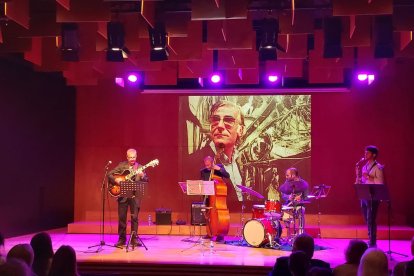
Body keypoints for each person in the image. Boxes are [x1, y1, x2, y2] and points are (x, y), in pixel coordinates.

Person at [108, 148, 149, 247]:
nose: (132, 159)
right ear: (127, 157)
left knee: (134, 218)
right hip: (122, 196)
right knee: (122, 218)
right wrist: (116, 180)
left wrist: (142, 175)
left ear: (136, 156)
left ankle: (134, 239)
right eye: (130, 157)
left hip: (135, 197)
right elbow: (110, 174)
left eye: (134, 157)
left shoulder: (140, 167)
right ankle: (122, 239)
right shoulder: (122, 165)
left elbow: (146, 180)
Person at [207, 100, 245, 201]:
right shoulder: (193, 161)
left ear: (240, 130)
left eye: (228, 120)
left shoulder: (239, 162)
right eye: (215, 120)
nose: (220, 125)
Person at [355, 145, 384, 247]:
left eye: (367, 152)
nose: (365, 154)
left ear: (374, 155)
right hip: (365, 195)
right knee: (367, 219)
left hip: (373, 196)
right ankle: (370, 238)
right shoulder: (364, 167)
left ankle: (373, 241)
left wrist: (368, 177)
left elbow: (380, 182)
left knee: (371, 218)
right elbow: (363, 181)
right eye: (365, 152)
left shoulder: (378, 167)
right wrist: (358, 178)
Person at [200, 155, 230, 242]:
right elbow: (202, 183)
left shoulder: (219, 167)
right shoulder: (203, 171)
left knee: (218, 216)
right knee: (208, 216)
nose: (207, 167)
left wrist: (219, 169)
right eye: (206, 165)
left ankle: (220, 234)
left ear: (212, 163)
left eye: (209, 165)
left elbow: (227, 176)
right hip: (208, 196)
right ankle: (210, 233)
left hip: (217, 197)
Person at [279, 167, 309, 235]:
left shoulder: (303, 184)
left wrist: (301, 198)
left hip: (299, 205)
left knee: (301, 210)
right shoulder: (286, 183)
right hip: (289, 205)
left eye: (287, 175)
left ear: (293, 175)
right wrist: (288, 197)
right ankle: (288, 233)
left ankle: (301, 232)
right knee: (283, 213)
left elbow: (306, 197)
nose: (286, 177)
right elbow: (283, 195)